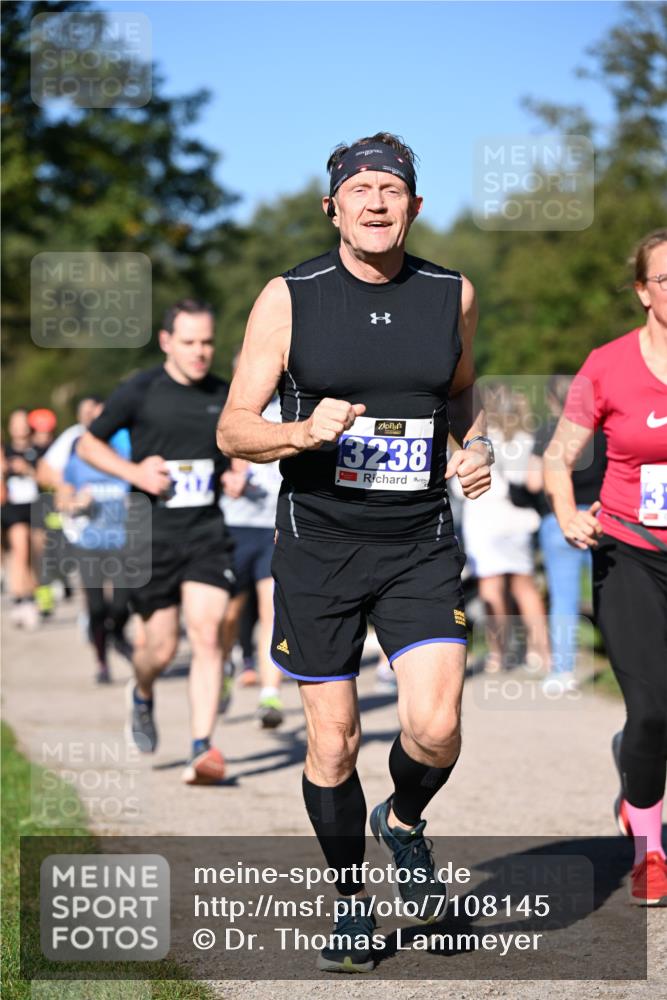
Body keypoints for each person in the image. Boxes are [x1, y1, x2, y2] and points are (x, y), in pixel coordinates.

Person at [218, 132, 493, 971]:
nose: (376, 202)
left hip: (418, 540)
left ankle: (402, 822)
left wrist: (472, 448)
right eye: (360, 188)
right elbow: (232, 427)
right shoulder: (289, 295)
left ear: (414, 205)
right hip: (320, 546)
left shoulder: (451, 292)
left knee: (436, 725)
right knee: (333, 743)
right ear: (332, 205)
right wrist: (301, 431)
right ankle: (347, 900)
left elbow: (460, 398)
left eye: (391, 189)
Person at [544, 228, 667, 906]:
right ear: (642, 291)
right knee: (650, 712)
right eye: (666, 278)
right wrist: (567, 512)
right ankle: (648, 846)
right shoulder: (608, 365)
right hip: (629, 550)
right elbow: (557, 456)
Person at [77, 299, 235, 785]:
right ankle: (142, 691)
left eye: (207, 342)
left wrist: (234, 473)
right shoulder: (140, 389)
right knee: (160, 650)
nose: (200, 352)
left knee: (207, 634)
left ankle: (201, 748)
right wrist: (134, 472)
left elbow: (232, 449)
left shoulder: (223, 393)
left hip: (206, 530)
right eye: (189, 342)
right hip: (151, 532)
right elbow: (88, 443)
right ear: (167, 341)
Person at [459, 383, 550, 676]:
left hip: (485, 521)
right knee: (525, 587)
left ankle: (499, 654)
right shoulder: (526, 439)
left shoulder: (479, 443)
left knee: (491, 588)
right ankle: (542, 652)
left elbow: (460, 490)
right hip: (520, 521)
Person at [527, 375, 607, 692]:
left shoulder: (548, 430)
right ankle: (623, 660)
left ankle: (563, 671)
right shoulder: (601, 428)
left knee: (563, 597)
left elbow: (534, 482)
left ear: (550, 400)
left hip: (558, 520)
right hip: (600, 516)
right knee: (612, 592)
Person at [220, 383, 285, 728]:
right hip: (237, 526)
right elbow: (220, 461)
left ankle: (269, 694)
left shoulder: (294, 409)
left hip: (273, 527)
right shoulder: (236, 409)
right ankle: (225, 665)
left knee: (271, 610)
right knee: (229, 615)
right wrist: (227, 480)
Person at [59, 424, 133, 683]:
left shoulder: (122, 462)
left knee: (123, 603)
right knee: (97, 606)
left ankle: (119, 634)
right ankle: (102, 662)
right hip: (88, 544)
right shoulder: (76, 464)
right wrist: (78, 503)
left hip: (121, 543)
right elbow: (61, 501)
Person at [1, 408, 44, 629]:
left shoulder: (37, 450)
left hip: (35, 507)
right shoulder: (4, 451)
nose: (20, 427)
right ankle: (21, 600)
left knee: (35, 556)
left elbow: (47, 477)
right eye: (15, 423)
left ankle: (30, 596)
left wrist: (27, 469)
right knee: (20, 550)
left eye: (23, 422)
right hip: (12, 508)